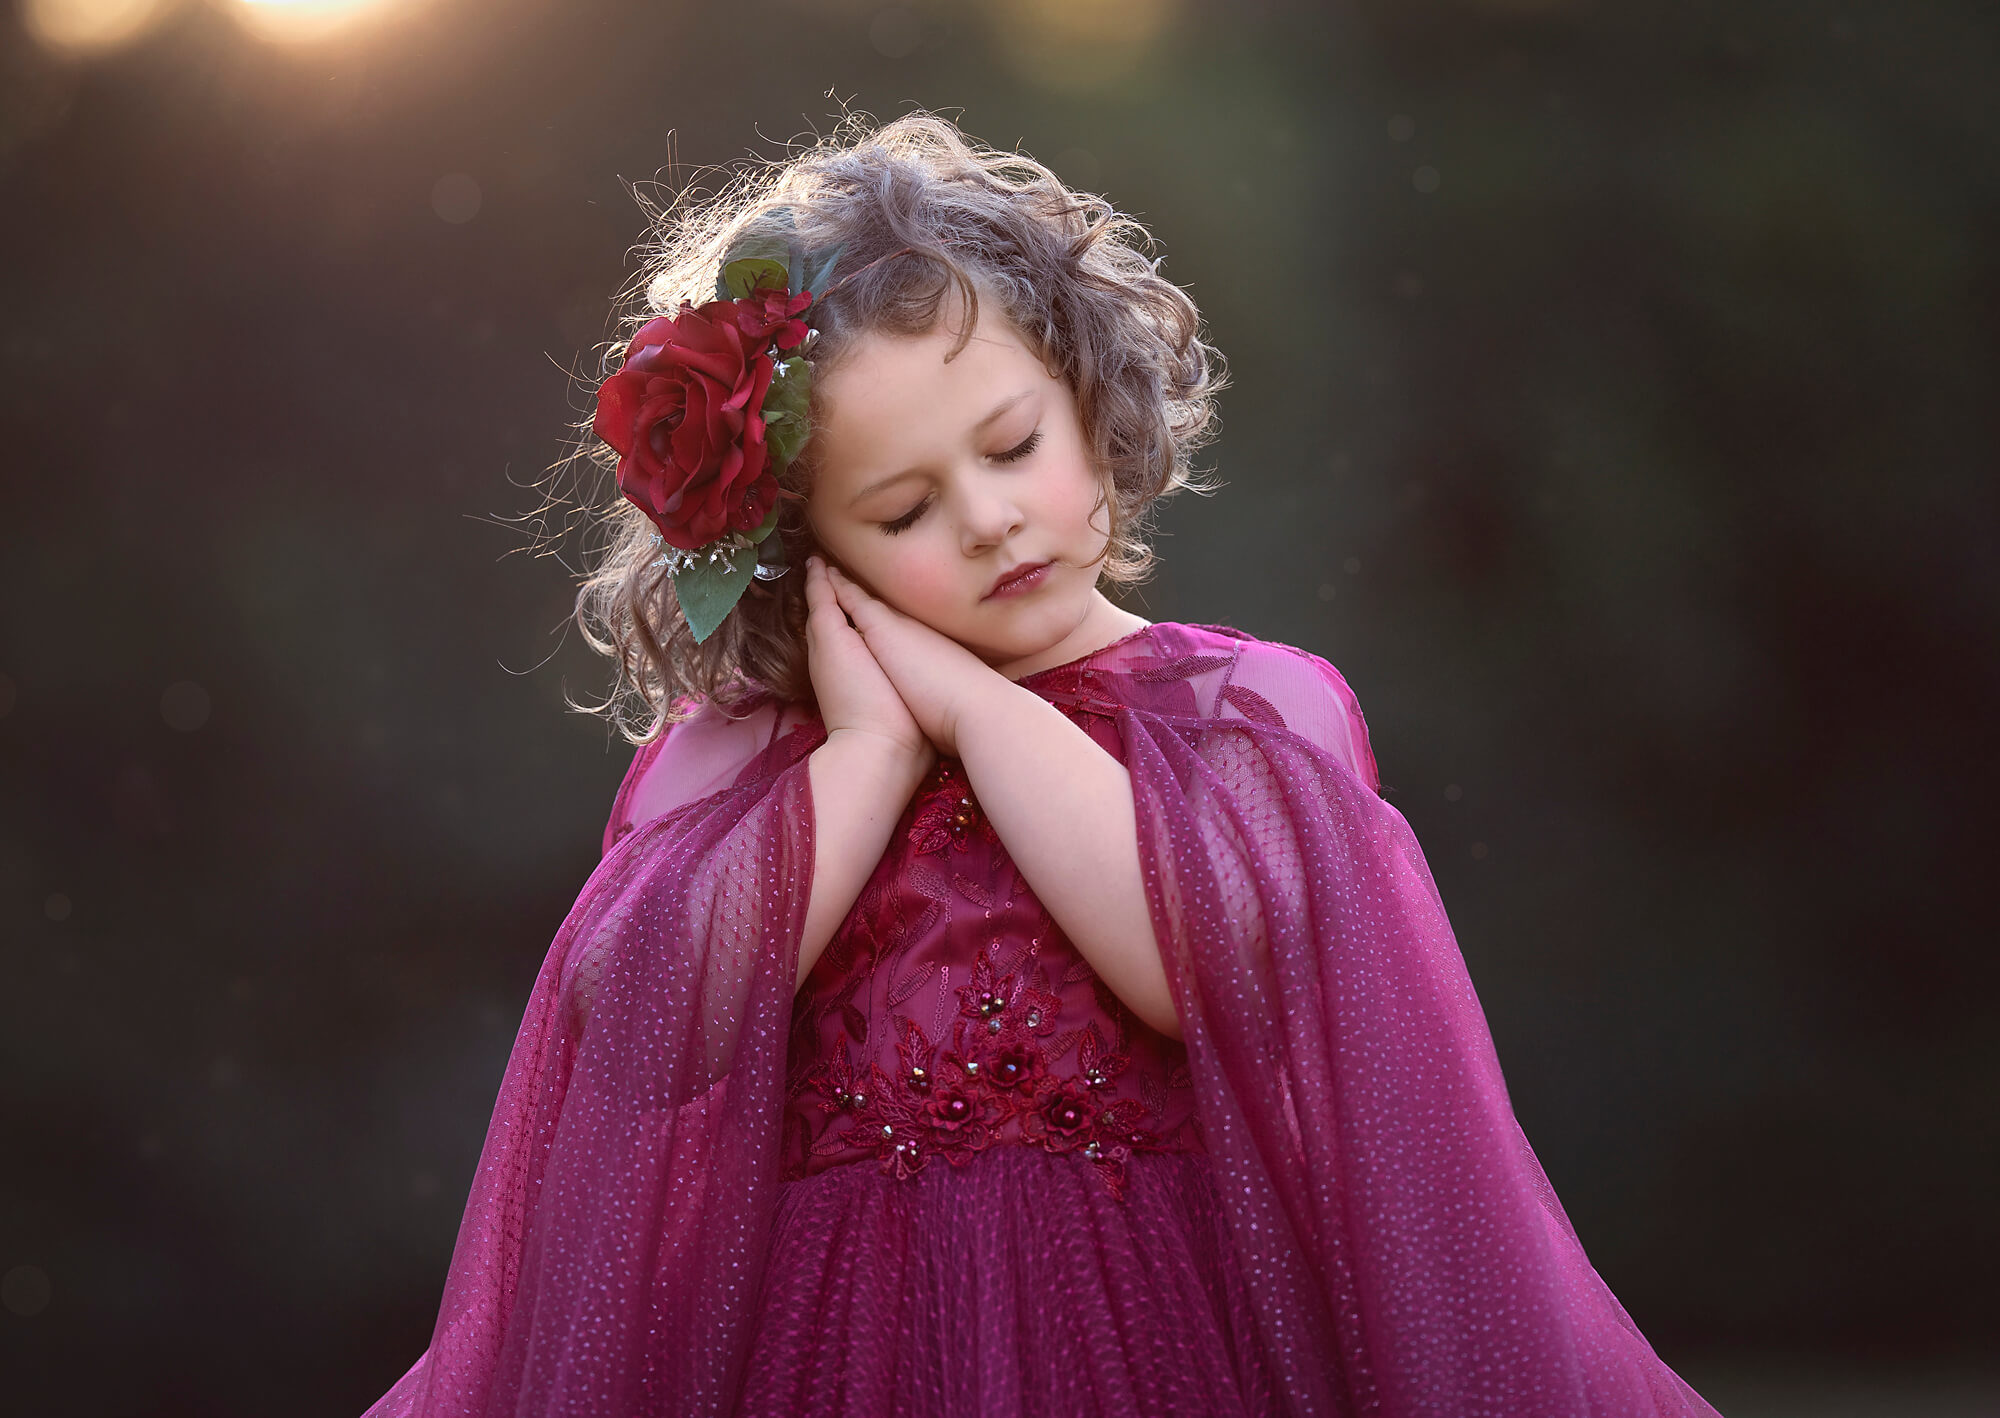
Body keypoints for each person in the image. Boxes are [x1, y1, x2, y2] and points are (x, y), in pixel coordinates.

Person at [357, 110, 1726, 1417]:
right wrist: (876, 749)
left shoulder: (1242, 709)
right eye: (903, 508)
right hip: (832, 1351)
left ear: (1088, 397)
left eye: (1013, 445)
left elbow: (1201, 962)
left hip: (1161, 1331)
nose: (990, 518)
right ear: (807, 553)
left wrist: (965, 701)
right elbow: (654, 1021)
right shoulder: (763, 767)